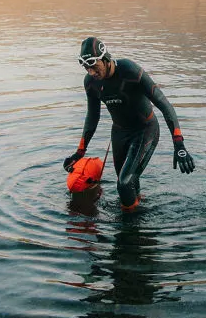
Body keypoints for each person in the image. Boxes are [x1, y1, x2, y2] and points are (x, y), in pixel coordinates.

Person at [63, 37, 195, 211]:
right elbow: (92, 117)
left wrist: (178, 143)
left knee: (124, 184)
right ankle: (137, 215)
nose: (91, 72)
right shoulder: (91, 83)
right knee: (126, 185)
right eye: (87, 68)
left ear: (105, 59)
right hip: (119, 133)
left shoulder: (131, 71)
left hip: (145, 130)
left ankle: (130, 227)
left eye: (94, 66)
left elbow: (164, 105)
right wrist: (80, 151)